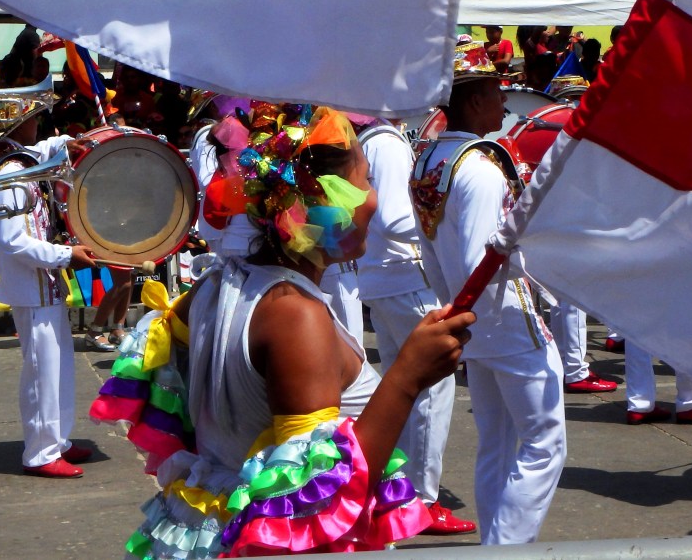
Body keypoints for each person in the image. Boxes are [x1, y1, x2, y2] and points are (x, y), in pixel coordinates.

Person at [91, 103, 473, 556]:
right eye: (365, 180)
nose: (373, 198)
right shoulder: (294, 314)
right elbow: (314, 497)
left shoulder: (214, 285)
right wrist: (407, 376)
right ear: (325, 201)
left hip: (208, 526)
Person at [410, 41, 566, 545]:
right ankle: (507, 547)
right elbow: (483, 259)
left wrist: (455, 310)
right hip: (503, 317)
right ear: (475, 101)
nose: (504, 104)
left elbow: (432, 254)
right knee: (544, 443)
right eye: (498, 93)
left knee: (497, 442)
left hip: (471, 320)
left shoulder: (429, 159)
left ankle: (493, 547)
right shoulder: (476, 167)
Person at [351, 113, 476, 534]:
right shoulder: (386, 143)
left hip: (386, 279)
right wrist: (446, 215)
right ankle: (419, 499)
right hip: (404, 280)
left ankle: (399, 492)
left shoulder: (374, 138)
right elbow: (393, 219)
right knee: (433, 387)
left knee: (401, 388)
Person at [0, 112, 98, 478]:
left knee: (58, 370)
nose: (40, 123)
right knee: (41, 374)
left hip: (43, 285)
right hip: (31, 287)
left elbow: (42, 148)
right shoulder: (10, 173)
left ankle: (57, 441)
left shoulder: (22, 161)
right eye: (34, 117)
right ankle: (40, 453)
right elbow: (12, 241)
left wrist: (64, 143)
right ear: (19, 125)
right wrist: (66, 254)